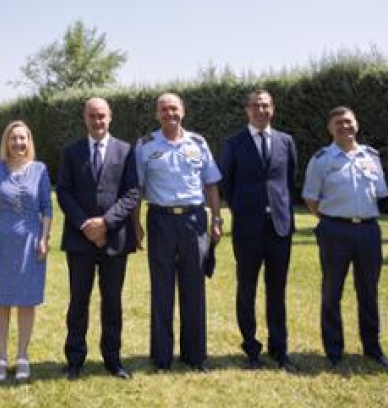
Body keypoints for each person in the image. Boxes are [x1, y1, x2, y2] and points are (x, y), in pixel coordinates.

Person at [134, 93, 222, 372]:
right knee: (162, 289)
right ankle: (161, 357)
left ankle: (194, 356)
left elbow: (211, 184)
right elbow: (136, 188)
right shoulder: (145, 145)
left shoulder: (198, 143)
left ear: (182, 111)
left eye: (174, 108)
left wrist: (216, 218)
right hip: (160, 220)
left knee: (194, 288)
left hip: (194, 221)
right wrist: (136, 225)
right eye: (163, 109)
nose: (169, 113)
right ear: (157, 114)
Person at [301, 106, 388, 370]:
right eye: (338, 123)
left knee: (368, 291)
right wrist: (331, 219)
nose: (344, 127)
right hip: (334, 231)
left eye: (349, 122)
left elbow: (380, 193)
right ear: (330, 129)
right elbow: (310, 197)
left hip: (368, 230)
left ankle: (372, 347)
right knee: (332, 291)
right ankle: (334, 350)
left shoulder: (371, 157)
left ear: (357, 125)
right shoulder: (321, 159)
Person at [57, 98, 140, 380]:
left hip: (114, 238)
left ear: (110, 117)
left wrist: (105, 223)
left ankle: (113, 359)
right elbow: (64, 192)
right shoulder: (71, 151)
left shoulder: (126, 150)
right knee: (79, 300)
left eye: (102, 116)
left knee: (112, 301)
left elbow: (132, 193)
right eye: (92, 116)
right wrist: (85, 224)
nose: (97, 121)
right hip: (79, 240)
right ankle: (75, 360)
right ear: (85, 118)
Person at [218, 89, 298, 372]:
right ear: (247, 110)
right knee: (247, 289)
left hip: (279, 227)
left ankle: (280, 349)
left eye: (266, 106)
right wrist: (243, 207)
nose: (261, 110)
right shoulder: (233, 143)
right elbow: (226, 184)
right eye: (256, 106)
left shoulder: (286, 141)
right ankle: (251, 347)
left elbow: (289, 180)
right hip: (248, 228)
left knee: (277, 290)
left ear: (272, 109)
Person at [0, 121, 52, 382]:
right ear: (6, 142)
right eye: (13, 139)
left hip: (30, 246)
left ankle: (22, 356)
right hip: (0, 245)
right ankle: (1, 358)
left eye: (23, 138)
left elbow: (47, 207)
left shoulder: (40, 170)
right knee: (1, 301)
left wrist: (44, 238)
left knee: (26, 300)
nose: (18, 143)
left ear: (29, 141)